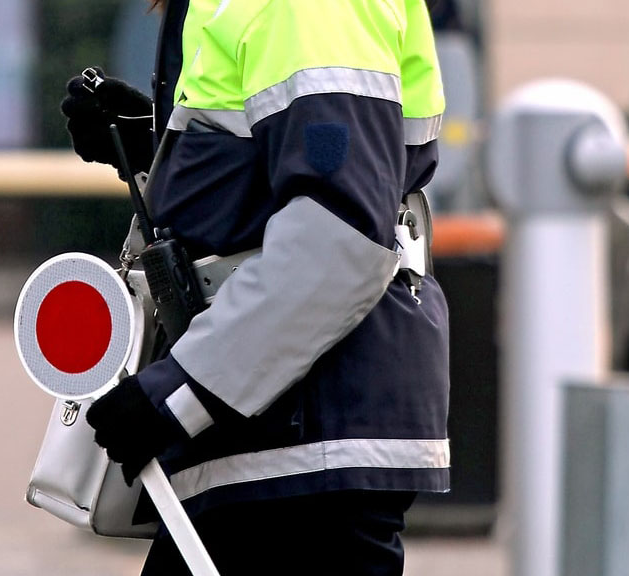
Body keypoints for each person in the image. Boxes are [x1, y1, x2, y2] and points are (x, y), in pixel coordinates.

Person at [61, 0, 450, 573]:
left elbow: (342, 232)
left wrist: (182, 391)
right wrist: (158, 145)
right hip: (284, 436)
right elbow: (318, 174)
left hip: (300, 442)